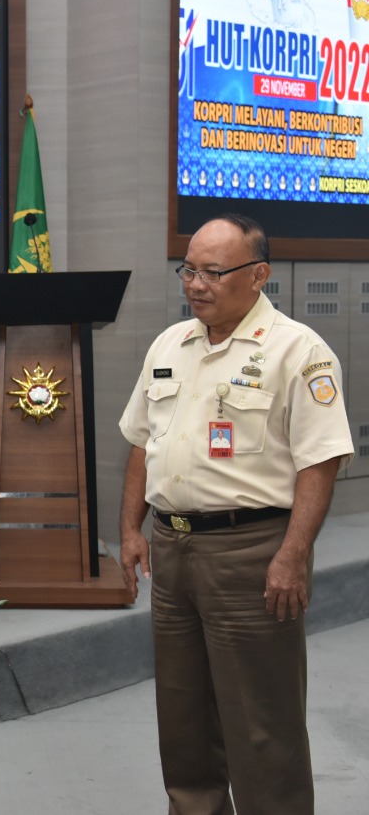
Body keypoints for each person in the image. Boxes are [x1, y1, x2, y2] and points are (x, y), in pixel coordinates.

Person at [118, 213, 353, 814]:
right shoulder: (170, 345)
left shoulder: (298, 352)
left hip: (251, 554)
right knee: (184, 717)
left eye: (213, 272)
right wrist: (130, 528)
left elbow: (319, 463)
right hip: (173, 552)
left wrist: (293, 556)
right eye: (189, 270)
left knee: (261, 724)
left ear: (258, 276)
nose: (195, 284)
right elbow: (144, 443)